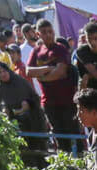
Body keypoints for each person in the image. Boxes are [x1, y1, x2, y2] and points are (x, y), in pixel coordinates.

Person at [27, 19, 78, 153]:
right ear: (38, 34)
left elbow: (60, 72)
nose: (48, 35)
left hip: (67, 101)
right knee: (59, 136)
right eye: (44, 32)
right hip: (49, 102)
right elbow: (29, 71)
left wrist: (42, 78)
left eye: (50, 31)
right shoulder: (36, 51)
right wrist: (48, 68)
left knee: (74, 133)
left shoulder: (60, 49)